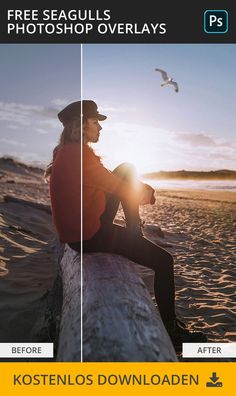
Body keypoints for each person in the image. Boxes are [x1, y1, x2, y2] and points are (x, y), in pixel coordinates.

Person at [45, 99, 207, 351]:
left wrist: (137, 188)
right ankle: (173, 334)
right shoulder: (79, 157)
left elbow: (110, 179)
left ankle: (135, 231)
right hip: (88, 235)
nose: (100, 127)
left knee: (127, 168)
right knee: (165, 262)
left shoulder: (68, 152)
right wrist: (145, 192)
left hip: (82, 227)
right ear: (82, 124)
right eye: (95, 121)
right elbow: (121, 189)